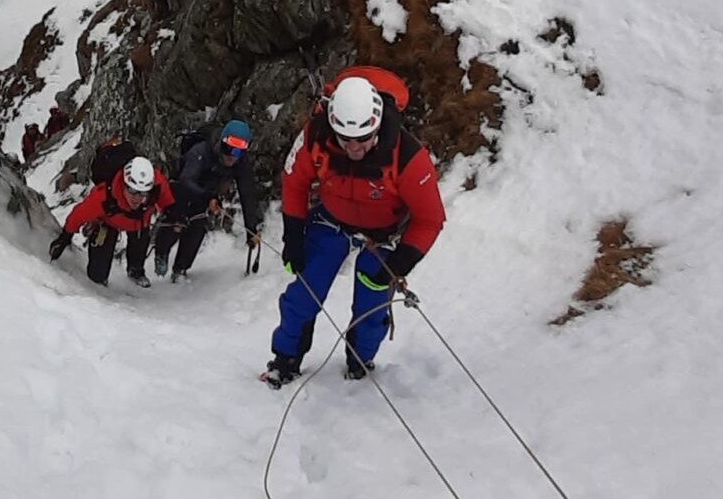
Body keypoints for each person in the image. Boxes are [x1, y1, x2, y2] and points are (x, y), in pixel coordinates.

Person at [263, 72, 445, 388]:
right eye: (345, 140)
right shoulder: (316, 136)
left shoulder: (409, 157)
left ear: (376, 127)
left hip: (384, 235)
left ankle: (360, 361)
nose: (354, 148)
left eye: (363, 139)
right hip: (332, 222)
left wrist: (398, 266)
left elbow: (430, 219)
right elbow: (295, 182)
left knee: (371, 307)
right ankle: (285, 359)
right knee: (303, 295)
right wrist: (293, 237)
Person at [153, 119, 262, 282]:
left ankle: (181, 268)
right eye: (229, 149)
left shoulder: (241, 164)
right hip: (182, 192)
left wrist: (251, 229)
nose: (232, 156)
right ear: (221, 143)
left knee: (198, 226)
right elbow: (186, 180)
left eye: (238, 152)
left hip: (208, 195)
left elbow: (248, 194)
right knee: (176, 222)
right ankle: (161, 252)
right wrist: (209, 196)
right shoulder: (201, 152)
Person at [49, 155, 174, 287]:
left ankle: (135, 271)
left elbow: (168, 202)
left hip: (139, 223)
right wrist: (65, 237)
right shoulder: (104, 196)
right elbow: (78, 215)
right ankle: (99, 282)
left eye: (143, 193)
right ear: (124, 185)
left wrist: (174, 214)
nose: (137, 198)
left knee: (139, 244)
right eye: (132, 191)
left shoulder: (157, 185)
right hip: (108, 222)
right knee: (97, 274)